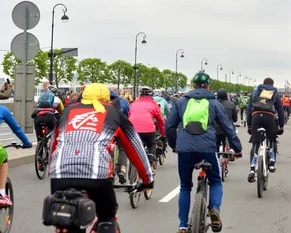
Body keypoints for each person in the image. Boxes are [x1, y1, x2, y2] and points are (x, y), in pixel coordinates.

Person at [49, 83, 153, 232]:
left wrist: (52, 170)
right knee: (106, 215)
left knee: (64, 221)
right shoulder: (114, 113)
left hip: (59, 175)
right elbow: (135, 148)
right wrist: (147, 179)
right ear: (107, 98)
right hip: (96, 175)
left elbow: (54, 144)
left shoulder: (68, 112)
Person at [166, 72, 242, 233]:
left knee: (185, 186)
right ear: (209, 86)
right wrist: (237, 148)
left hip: (185, 148)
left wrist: (174, 145)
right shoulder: (213, 103)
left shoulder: (181, 102)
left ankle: (183, 226)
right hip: (207, 147)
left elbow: (169, 126)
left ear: (192, 85)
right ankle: (214, 209)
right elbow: (228, 126)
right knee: (215, 181)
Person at [246, 77, 284, 182]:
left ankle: (252, 169)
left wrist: (249, 125)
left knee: (255, 143)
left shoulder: (255, 92)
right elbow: (280, 110)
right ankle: (272, 162)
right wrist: (281, 126)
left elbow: (249, 109)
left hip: (256, 118)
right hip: (269, 118)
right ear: (272, 84)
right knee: (272, 139)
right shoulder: (274, 93)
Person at [0, 104, 32, 205]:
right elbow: (16, 129)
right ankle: (1, 194)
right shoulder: (3, 110)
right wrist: (27, 143)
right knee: (3, 156)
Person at [129, 87, 166, 171]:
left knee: (134, 146)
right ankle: (150, 162)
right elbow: (160, 120)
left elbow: (129, 115)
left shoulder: (133, 103)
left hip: (133, 129)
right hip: (148, 129)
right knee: (151, 144)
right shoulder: (153, 104)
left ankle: (133, 162)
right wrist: (163, 132)